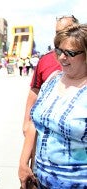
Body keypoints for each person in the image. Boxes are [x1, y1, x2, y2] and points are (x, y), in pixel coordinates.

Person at [19, 23, 87, 188]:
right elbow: (36, 123)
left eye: (69, 53)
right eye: (59, 51)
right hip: (40, 179)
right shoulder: (52, 80)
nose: (62, 57)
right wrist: (23, 163)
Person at [22, 15, 79, 136]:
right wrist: (26, 122)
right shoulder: (45, 60)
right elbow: (35, 90)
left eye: (67, 30)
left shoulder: (82, 59)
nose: (62, 36)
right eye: (58, 32)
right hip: (45, 132)